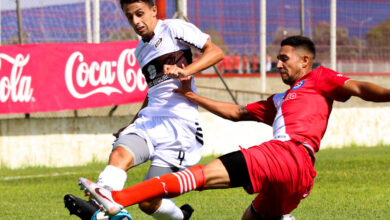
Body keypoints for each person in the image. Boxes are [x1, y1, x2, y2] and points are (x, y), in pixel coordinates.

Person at [77, 35, 390, 219]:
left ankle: (116, 198)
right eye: (277, 59)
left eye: (284, 58)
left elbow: (360, 88)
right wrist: (192, 95)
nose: (278, 63)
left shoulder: (319, 78)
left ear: (306, 61)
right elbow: (238, 112)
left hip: (286, 154)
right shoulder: (280, 99)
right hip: (297, 177)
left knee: (196, 177)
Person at [64, 0, 223, 219]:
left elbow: (215, 52)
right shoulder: (140, 51)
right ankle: (101, 208)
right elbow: (153, 91)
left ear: (154, 10)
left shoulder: (173, 28)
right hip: (149, 121)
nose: (136, 21)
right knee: (120, 153)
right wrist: (131, 123)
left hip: (179, 126)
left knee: (148, 201)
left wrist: (186, 70)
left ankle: (180, 217)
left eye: (140, 14)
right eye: (130, 17)